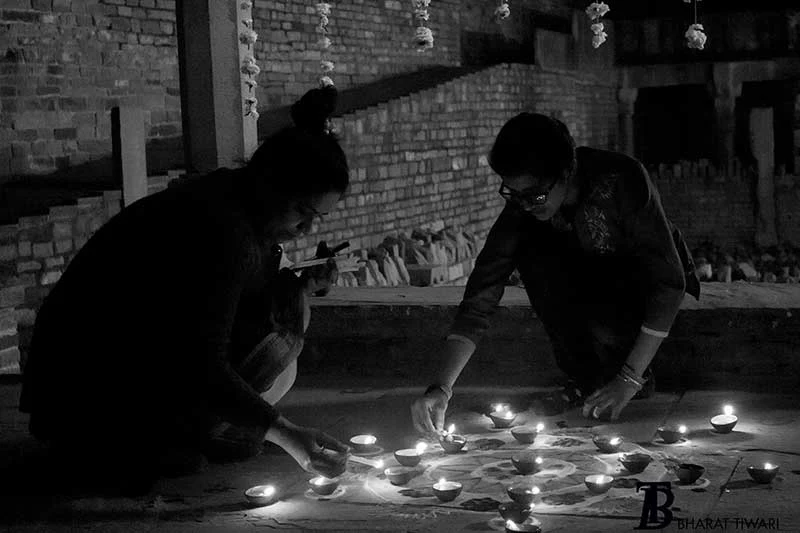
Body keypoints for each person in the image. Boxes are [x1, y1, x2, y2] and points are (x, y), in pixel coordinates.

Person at [19, 86, 351, 494]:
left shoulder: (237, 201)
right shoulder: (221, 228)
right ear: (273, 184)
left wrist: (303, 286)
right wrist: (284, 432)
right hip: (80, 393)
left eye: (316, 218)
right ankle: (135, 442)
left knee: (284, 319)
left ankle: (184, 434)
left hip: (126, 370)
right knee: (277, 338)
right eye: (303, 212)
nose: (307, 229)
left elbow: (238, 302)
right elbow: (198, 359)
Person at [411, 112, 700, 433]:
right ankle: (585, 377)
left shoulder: (623, 179)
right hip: (582, 277)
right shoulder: (524, 207)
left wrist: (628, 378)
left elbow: (669, 282)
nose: (525, 205)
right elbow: (483, 291)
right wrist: (440, 388)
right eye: (513, 194)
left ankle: (629, 374)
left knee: (596, 276)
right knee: (533, 254)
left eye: (534, 195)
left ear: (566, 172)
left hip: (636, 282)